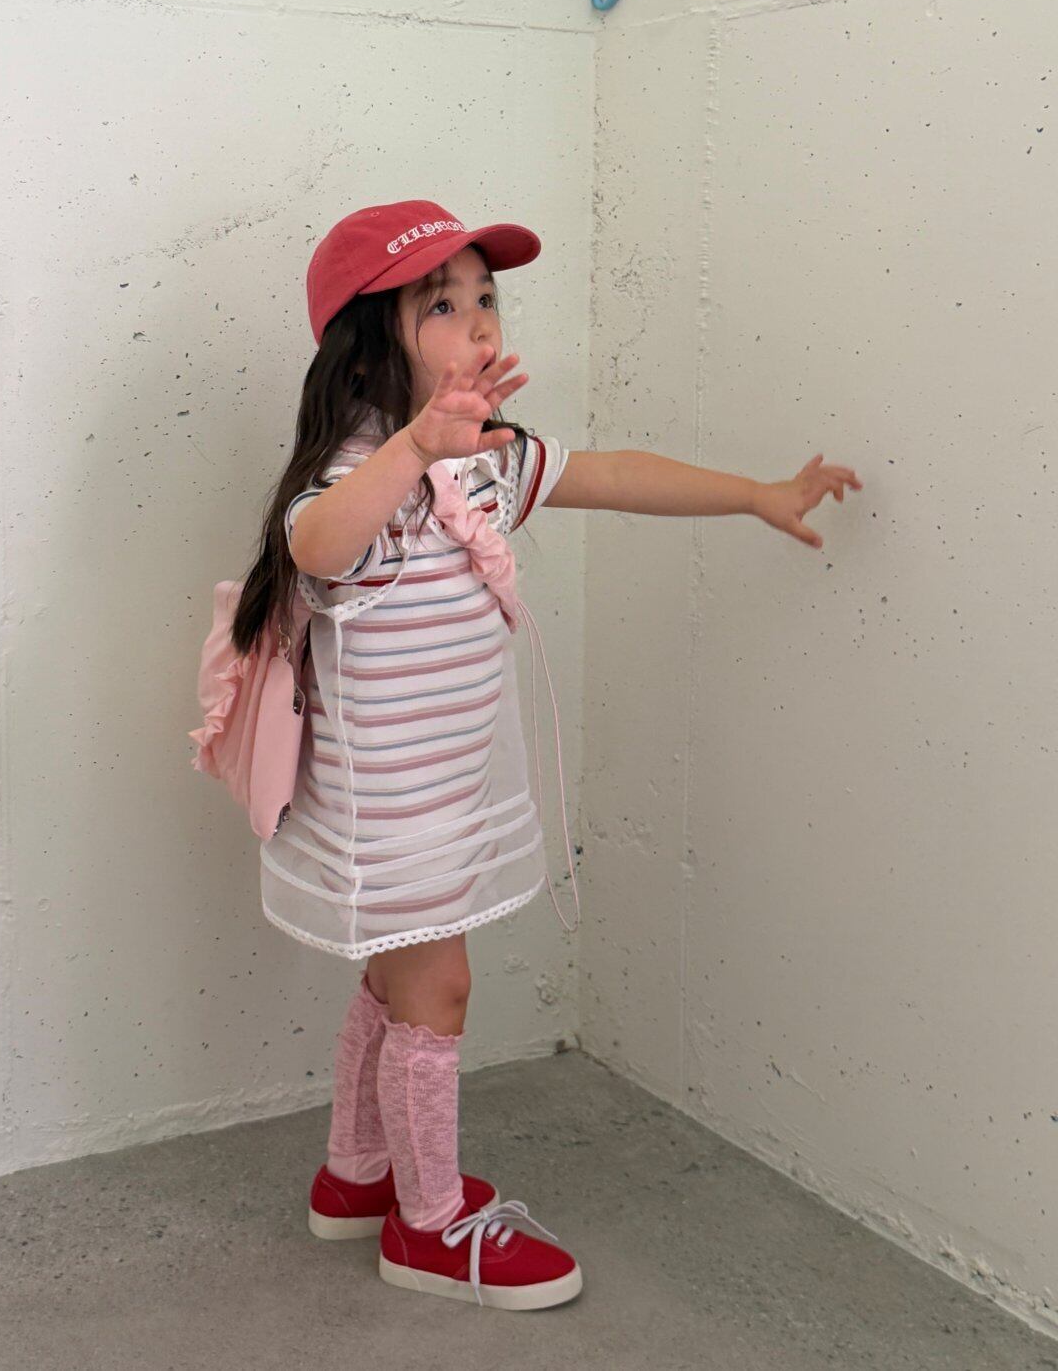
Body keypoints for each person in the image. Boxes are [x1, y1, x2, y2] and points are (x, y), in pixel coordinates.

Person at [225, 198, 861, 1310]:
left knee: (396, 980)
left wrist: (754, 496)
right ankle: (429, 1228)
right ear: (366, 347)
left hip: (442, 797)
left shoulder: (485, 465)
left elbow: (609, 474)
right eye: (441, 305)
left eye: (486, 298)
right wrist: (415, 447)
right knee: (439, 992)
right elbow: (316, 544)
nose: (478, 321)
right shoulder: (363, 473)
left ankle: (357, 1176)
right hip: (387, 816)